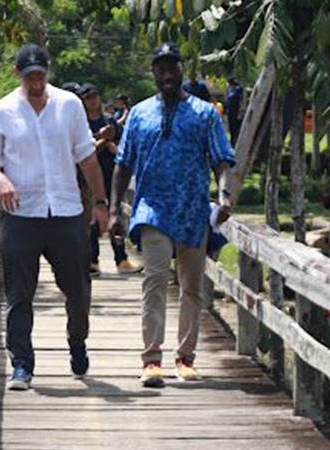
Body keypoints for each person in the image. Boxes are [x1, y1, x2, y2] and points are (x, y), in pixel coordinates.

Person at [0, 44, 109, 391]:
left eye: (40, 75)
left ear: (47, 71)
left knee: (78, 290)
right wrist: (1, 179)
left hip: (66, 211)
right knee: (19, 294)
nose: (35, 82)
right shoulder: (1, 111)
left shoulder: (69, 105)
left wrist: (100, 202)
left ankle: (77, 341)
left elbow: (87, 158)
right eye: (29, 76)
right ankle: (22, 364)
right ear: (18, 74)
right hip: (21, 213)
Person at [109, 42, 235, 388]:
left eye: (172, 67)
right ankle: (151, 360)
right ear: (153, 72)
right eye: (160, 67)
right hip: (152, 209)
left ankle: (185, 358)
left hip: (193, 211)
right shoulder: (138, 114)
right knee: (154, 282)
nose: (166, 73)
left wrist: (224, 194)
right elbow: (122, 165)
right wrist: (114, 210)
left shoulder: (205, 113)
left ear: (181, 69)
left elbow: (221, 158)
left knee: (191, 288)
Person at [78, 83, 142, 276]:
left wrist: (114, 146)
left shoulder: (111, 121)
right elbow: (82, 150)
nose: (93, 100)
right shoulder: (81, 124)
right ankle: (92, 260)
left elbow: (124, 146)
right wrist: (101, 140)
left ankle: (121, 259)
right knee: (92, 219)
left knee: (116, 215)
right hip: (89, 178)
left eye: (95, 95)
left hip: (111, 174)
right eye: (88, 97)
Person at [225, 76, 243, 146]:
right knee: (231, 128)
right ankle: (232, 142)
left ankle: (236, 142)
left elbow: (236, 99)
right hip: (230, 112)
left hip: (236, 111)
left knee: (236, 128)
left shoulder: (237, 89)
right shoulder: (229, 89)